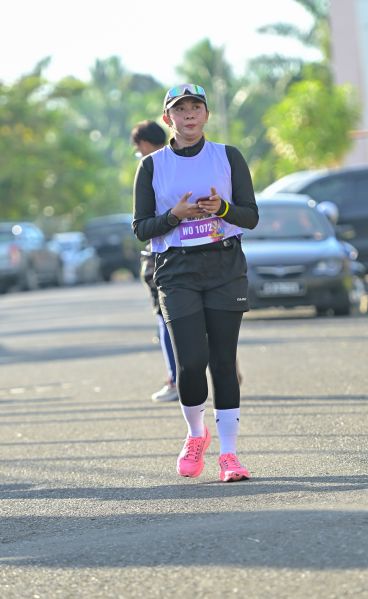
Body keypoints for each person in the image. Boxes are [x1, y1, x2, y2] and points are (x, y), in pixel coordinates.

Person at [133, 83, 258, 482]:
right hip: (176, 270)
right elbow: (141, 228)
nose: (189, 114)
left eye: (196, 107)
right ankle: (195, 434)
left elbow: (250, 216)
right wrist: (175, 216)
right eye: (180, 109)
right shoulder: (151, 166)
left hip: (224, 266)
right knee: (190, 363)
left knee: (223, 361)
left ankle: (230, 454)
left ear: (206, 114)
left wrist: (222, 208)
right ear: (167, 118)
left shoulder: (228, 156)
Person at [131, 120, 179, 402]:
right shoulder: (184, 163)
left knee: (165, 318)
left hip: (163, 255)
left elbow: (142, 226)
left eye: (138, 149)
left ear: (145, 144)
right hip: (196, 251)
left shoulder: (150, 167)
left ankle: (175, 379)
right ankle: (227, 368)